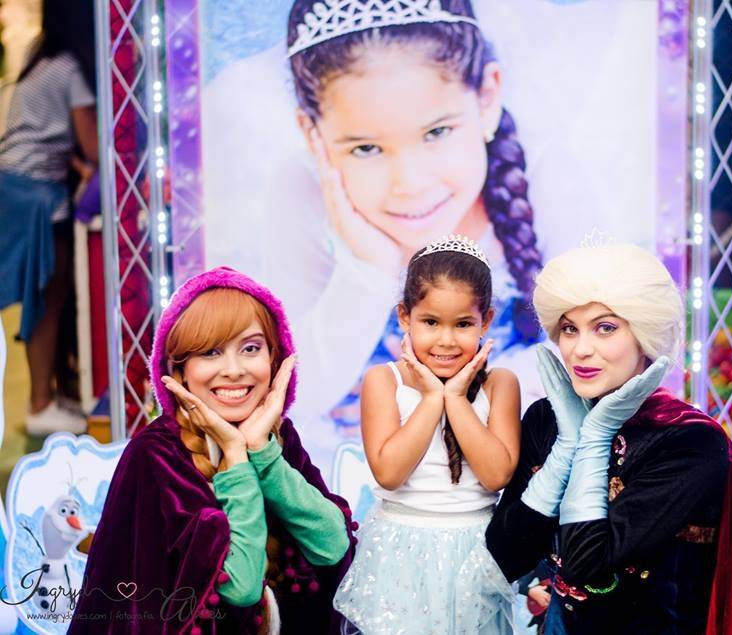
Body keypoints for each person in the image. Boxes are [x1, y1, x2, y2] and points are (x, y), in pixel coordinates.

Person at [486, 242, 732, 634]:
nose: (580, 349)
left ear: (644, 335)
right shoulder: (547, 419)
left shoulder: (689, 441)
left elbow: (587, 567)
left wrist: (593, 439)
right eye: (569, 329)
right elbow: (505, 556)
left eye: (605, 328)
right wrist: (566, 445)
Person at [273, 0, 546, 432]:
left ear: (488, 95)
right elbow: (290, 398)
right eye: (366, 148)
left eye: (437, 132)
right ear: (312, 134)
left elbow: (615, 363)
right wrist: (368, 269)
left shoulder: (546, 181)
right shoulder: (301, 199)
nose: (410, 183)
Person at [69, 267, 355, 634]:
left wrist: (262, 455)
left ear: (275, 358)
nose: (233, 370)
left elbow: (332, 546)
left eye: (251, 348)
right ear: (179, 370)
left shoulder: (279, 438)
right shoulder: (156, 456)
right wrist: (236, 460)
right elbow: (239, 588)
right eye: (210, 352)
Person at [333, 235, 519, 633]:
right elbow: (389, 472)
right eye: (430, 322)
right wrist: (433, 398)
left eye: (464, 324)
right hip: (400, 549)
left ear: (486, 320)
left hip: (477, 550)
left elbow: (496, 474)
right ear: (405, 317)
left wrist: (456, 398)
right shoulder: (383, 381)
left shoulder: (500, 384)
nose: (446, 340)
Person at [0, 0, 97, 435]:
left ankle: (45, 396)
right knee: (48, 296)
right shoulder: (70, 70)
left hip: (15, 184)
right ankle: (40, 403)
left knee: (42, 296)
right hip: (39, 195)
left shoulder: (38, 65)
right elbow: (94, 148)